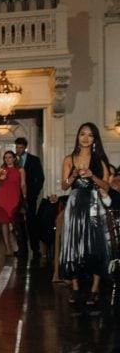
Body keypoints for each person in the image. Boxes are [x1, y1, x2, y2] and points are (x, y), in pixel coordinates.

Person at [59, 122, 111, 313]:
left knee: (95, 244)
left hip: (94, 205)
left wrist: (92, 176)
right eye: (82, 134)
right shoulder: (69, 159)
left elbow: (106, 186)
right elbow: (64, 186)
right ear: (78, 137)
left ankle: (94, 288)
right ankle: (75, 288)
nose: (86, 138)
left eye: (90, 135)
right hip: (75, 204)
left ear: (94, 139)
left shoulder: (99, 160)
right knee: (73, 243)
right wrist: (73, 175)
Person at [14, 137, 45, 260]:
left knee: (31, 222)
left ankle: (35, 248)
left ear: (25, 148)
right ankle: (22, 249)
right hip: (16, 196)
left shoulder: (34, 160)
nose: (18, 149)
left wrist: (35, 193)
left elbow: (40, 178)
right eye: (17, 147)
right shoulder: (13, 161)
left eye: (20, 147)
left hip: (30, 196)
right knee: (18, 223)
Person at [0, 150, 26, 256]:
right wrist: (0, 179)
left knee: (15, 224)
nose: (7, 159)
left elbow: (23, 184)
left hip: (15, 198)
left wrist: (25, 197)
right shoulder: (1, 169)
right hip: (2, 198)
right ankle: (7, 247)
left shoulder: (20, 170)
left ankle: (16, 244)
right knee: (5, 223)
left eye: (9, 157)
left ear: (14, 158)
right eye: (5, 157)